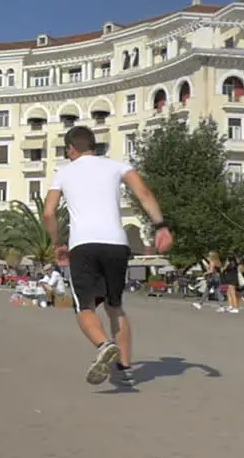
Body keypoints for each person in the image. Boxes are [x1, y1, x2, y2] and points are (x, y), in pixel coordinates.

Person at [43, 126, 173, 387]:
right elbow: (145, 194)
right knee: (115, 306)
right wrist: (161, 227)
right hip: (117, 244)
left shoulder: (64, 172)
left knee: (85, 306)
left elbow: (49, 212)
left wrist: (56, 242)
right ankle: (124, 368)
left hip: (83, 245)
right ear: (94, 145)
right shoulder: (118, 165)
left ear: (71, 148)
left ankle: (103, 345)